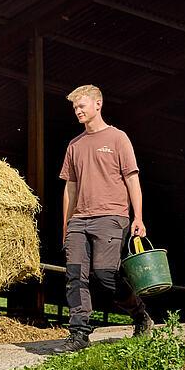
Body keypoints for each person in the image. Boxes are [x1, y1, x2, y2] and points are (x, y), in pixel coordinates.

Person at [58, 84, 154, 351]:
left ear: (98, 104)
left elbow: (132, 179)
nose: (77, 111)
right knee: (75, 274)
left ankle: (139, 314)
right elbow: (71, 187)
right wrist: (67, 224)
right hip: (79, 219)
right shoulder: (74, 145)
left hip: (112, 216)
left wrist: (139, 217)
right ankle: (78, 334)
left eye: (81, 106)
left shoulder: (117, 138)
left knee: (104, 274)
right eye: (75, 107)